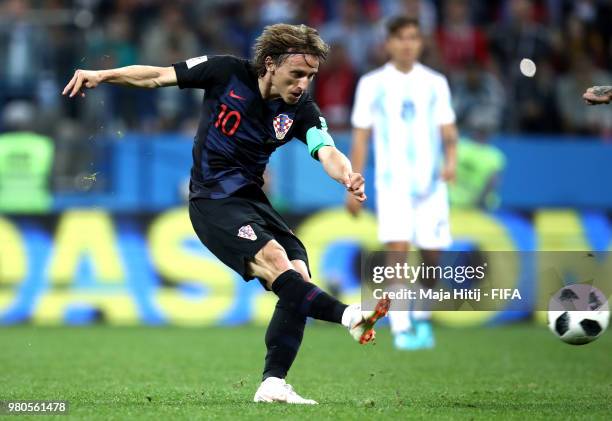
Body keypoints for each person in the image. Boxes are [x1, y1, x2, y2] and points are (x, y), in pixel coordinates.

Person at [62, 23, 390, 405]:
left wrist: (347, 175)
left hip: (252, 200)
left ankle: (273, 383)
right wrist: (102, 74)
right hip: (211, 200)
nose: (303, 84)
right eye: (296, 73)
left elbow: (326, 149)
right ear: (270, 63)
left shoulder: (300, 110)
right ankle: (350, 316)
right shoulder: (225, 71)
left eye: (310, 76)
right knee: (275, 261)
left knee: (298, 276)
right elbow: (156, 76)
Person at [347, 17, 458, 350]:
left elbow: (448, 131)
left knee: (431, 257)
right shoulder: (371, 83)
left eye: (413, 37)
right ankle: (401, 328)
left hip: (430, 184)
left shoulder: (436, 82)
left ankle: (421, 319)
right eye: (401, 38)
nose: (408, 44)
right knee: (398, 252)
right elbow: (361, 136)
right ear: (389, 43)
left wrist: (451, 162)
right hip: (393, 184)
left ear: (420, 42)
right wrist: (352, 185)